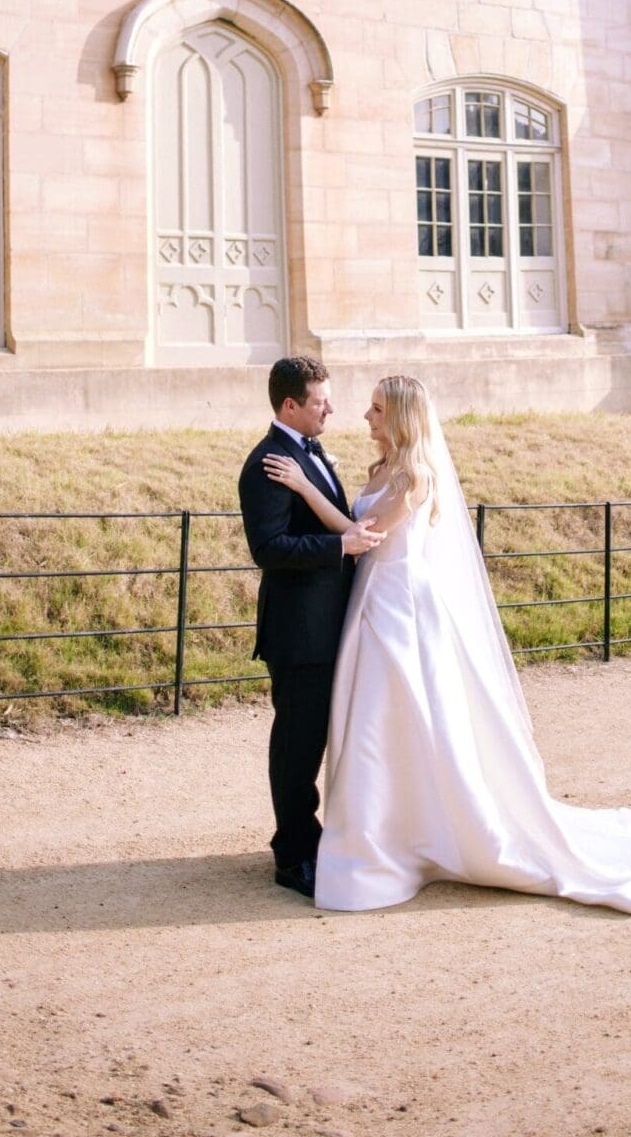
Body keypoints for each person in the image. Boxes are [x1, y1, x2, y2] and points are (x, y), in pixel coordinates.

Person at [264, 373, 631, 915]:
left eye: (378, 409)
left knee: (399, 715)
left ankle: (410, 832)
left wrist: (303, 486)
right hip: (373, 600)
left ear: (403, 418)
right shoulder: (384, 466)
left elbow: (361, 537)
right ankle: (390, 825)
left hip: (399, 605)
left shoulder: (416, 476)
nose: (365, 415)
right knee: (378, 722)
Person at [238, 355, 385, 899]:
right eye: (321, 402)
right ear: (290, 405)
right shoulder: (267, 463)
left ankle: (311, 839)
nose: (332, 408)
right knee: (297, 748)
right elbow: (268, 549)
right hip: (300, 634)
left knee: (317, 741)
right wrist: (339, 547)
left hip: (328, 626)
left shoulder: (306, 453)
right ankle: (292, 854)